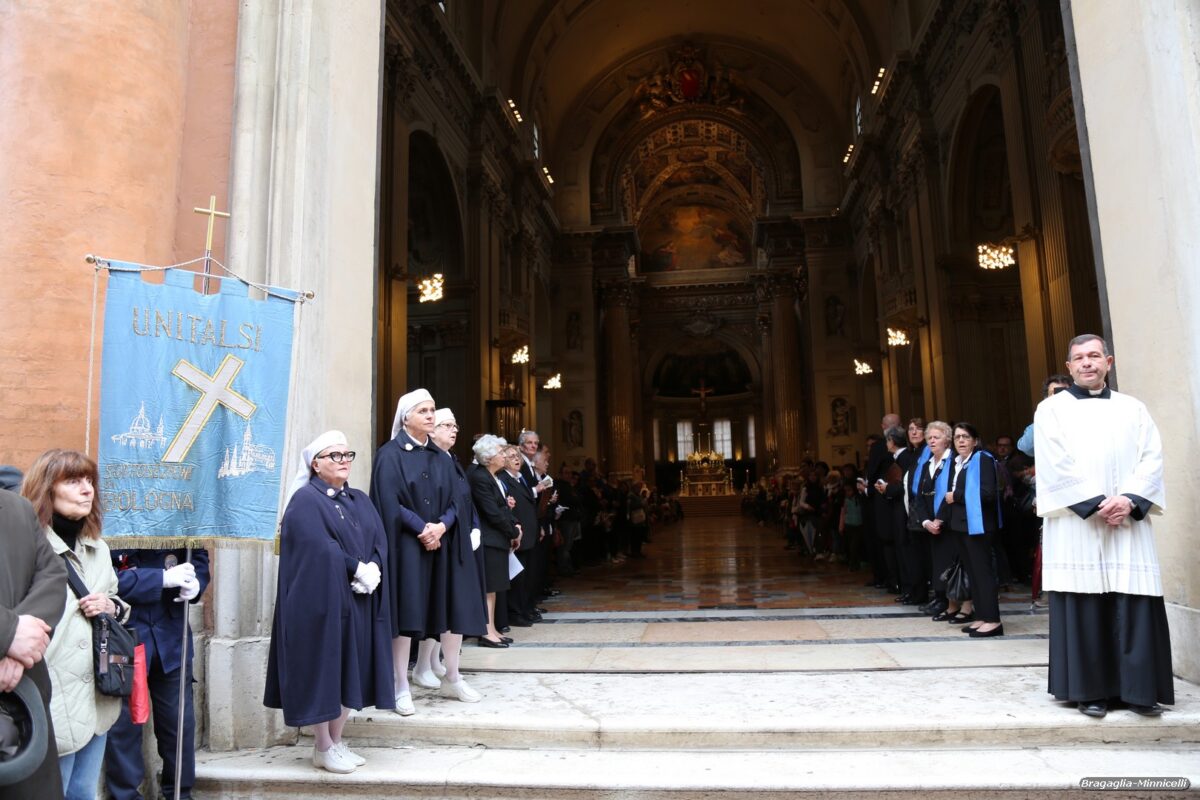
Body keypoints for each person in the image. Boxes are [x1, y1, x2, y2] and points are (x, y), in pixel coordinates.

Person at [1035, 334, 1173, 718]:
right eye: (1079, 358)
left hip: (1127, 521)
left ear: (1108, 362)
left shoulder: (1134, 408)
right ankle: (1089, 690)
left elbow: (1152, 458)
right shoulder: (1051, 411)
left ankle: (1140, 691)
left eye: (1094, 356)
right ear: (1069, 367)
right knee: (1085, 602)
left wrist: (1130, 500)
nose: (1087, 363)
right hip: (1079, 525)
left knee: (1134, 601)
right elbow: (1054, 462)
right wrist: (1095, 504)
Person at [264, 430, 394, 773]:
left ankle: (336, 740)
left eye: (347, 455)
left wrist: (375, 568)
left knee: (354, 669)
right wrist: (356, 568)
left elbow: (379, 539)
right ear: (316, 463)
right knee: (325, 670)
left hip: (358, 600)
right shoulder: (306, 500)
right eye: (335, 456)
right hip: (323, 604)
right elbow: (316, 548)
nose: (344, 461)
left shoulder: (360, 499)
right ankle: (321, 744)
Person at [371, 389, 486, 717]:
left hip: (442, 544)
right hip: (408, 545)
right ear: (405, 417)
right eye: (423, 410)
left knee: (448, 609)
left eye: (433, 410)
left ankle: (452, 675)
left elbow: (456, 500)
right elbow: (387, 502)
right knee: (406, 615)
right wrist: (423, 528)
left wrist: (442, 526)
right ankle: (400, 685)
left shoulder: (440, 456)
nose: (431, 415)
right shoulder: (389, 455)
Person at [20, 450, 127, 800]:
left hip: (97, 697)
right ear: (47, 489)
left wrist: (111, 605)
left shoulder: (98, 547)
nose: (87, 490)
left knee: (83, 792)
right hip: (50, 696)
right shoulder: (24, 548)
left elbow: (118, 601)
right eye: (73, 481)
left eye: (89, 482)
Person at [104, 539, 209, 800]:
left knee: (178, 725)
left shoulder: (179, 512)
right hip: (125, 635)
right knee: (123, 729)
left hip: (171, 636)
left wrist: (196, 584)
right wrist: (159, 579)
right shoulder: (112, 515)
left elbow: (197, 557)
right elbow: (105, 579)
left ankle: (179, 794)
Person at [409, 409, 487, 686]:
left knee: (446, 606)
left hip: (461, 537)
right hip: (444, 538)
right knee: (439, 606)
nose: (454, 430)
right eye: (447, 425)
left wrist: (475, 526)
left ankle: (433, 662)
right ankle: (423, 665)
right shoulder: (430, 460)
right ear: (431, 431)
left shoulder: (452, 459)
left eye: (456, 426)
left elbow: (466, 500)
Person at [0, 487, 67, 800]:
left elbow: (53, 575)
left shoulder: (16, 508)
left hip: (23, 707)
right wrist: (8, 634)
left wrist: (17, 650)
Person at [938, 424, 1004, 637]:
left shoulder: (982, 459)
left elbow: (987, 493)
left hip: (979, 526)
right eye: (957, 437)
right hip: (961, 526)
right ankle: (982, 616)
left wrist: (955, 496)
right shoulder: (958, 462)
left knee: (983, 573)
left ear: (975, 440)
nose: (961, 441)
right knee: (973, 574)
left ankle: (993, 620)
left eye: (966, 437)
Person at [467, 435, 520, 648]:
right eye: (499, 452)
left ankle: (493, 629)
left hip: (497, 539)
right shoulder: (480, 477)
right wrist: (513, 532)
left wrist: (514, 526)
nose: (503, 456)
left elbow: (503, 508)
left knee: (495, 587)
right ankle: (486, 631)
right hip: (489, 539)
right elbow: (492, 513)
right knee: (488, 587)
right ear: (489, 457)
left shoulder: (492, 476)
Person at [913, 421, 955, 619]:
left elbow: (952, 492)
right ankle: (938, 597)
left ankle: (948, 599)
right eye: (929, 437)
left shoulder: (954, 461)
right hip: (930, 522)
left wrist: (940, 519)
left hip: (948, 521)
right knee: (934, 561)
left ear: (947, 440)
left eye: (936, 437)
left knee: (947, 561)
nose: (931, 441)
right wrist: (925, 521)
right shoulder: (927, 463)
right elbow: (919, 496)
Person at [1017, 374, 1071, 457]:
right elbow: (1026, 448)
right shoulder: (1042, 421)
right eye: (1054, 393)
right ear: (1046, 398)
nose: (1059, 397)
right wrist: (1046, 415)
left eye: (1063, 392)